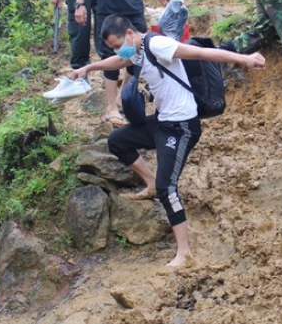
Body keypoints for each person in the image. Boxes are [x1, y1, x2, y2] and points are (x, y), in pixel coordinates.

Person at [72, 15, 266, 267]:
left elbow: (201, 53)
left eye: (119, 43)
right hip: (163, 122)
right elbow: (120, 60)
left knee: (168, 188)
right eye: (113, 47)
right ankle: (150, 182)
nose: (118, 50)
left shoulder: (157, 44)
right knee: (118, 140)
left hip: (182, 126)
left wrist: (244, 58)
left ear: (130, 33)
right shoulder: (137, 50)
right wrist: (87, 68)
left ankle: (184, 254)